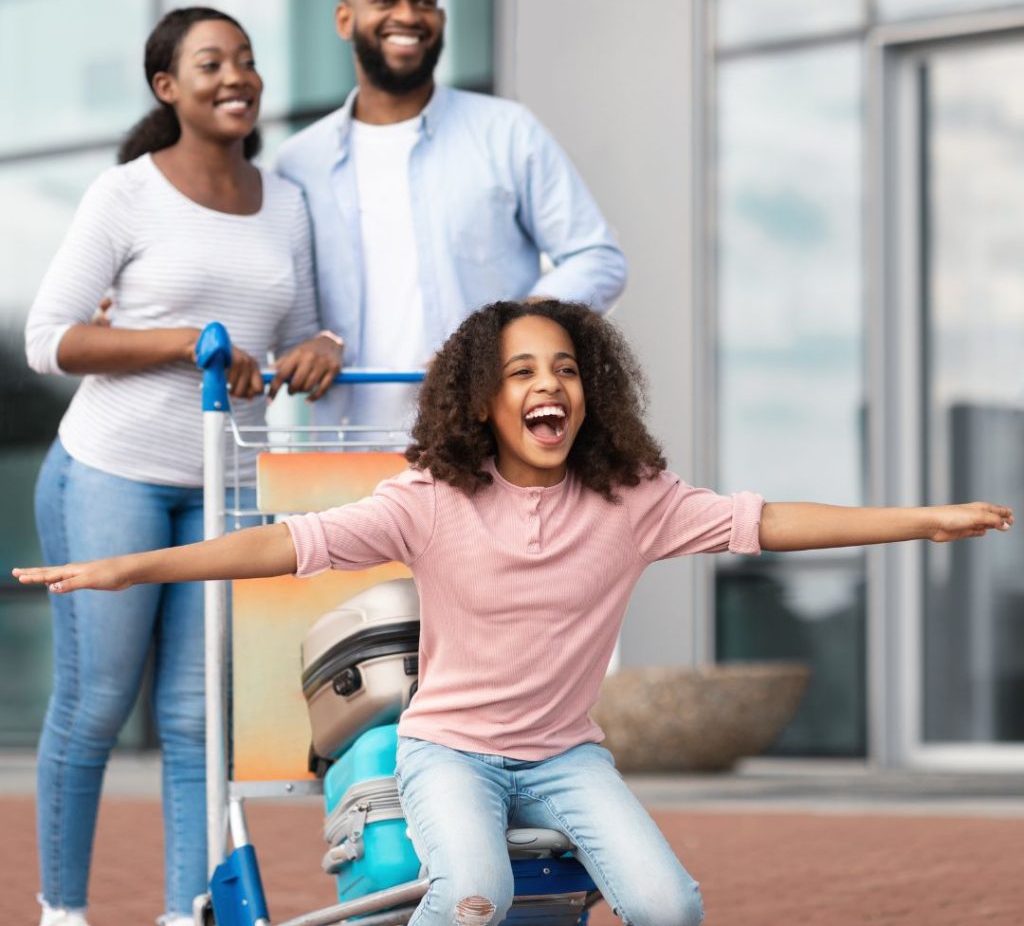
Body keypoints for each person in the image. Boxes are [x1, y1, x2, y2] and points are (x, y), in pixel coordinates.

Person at [14, 300, 1014, 926]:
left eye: (566, 368)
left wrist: (918, 519)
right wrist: (131, 565)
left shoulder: (635, 498)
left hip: (565, 755)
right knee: (477, 895)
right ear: (483, 400)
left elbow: (767, 520)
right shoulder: (431, 497)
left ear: (591, 392)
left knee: (669, 905)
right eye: (523, 371)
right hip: (446, 748)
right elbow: (286, 542)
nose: (550, 385)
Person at [24, 7, 342, 926]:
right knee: (95, 704)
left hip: (228, 479)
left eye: (246, 59)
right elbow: (51, 340)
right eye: (211, 63)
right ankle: (62, 913)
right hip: (111, 472)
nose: (236, 75)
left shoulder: (285, 200)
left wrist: (321, 345)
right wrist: (184, 343)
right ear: (168, 88)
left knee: (199, 719)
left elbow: (301, 327)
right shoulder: (126, 195)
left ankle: (182, 913)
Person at [275, 0, 627, 431]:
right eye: (385, 0)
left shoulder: (506, 131)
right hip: (347, 446)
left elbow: (598, 257)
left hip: (483, 441)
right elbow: (280, 297)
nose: (409, 15)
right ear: (344, 19)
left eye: (424, 1)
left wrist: (505, 335)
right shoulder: (297, 162)